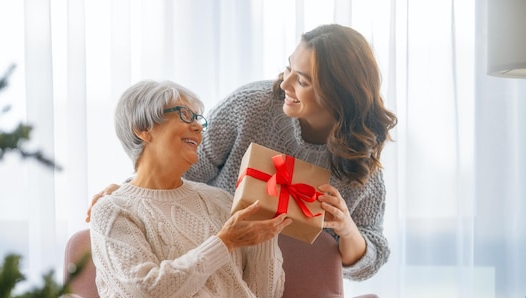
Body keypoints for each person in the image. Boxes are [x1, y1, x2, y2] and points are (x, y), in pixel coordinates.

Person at [87, 23, 397, 281]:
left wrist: (347, 229)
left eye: (301, 80)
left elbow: (369, 262)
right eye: (289, 67)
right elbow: (183, 169)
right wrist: (131, 191)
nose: (284, 83)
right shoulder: (253, 106)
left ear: (338, 94)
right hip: (213, 265)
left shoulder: (362, 164)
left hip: (293, 290)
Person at [89, 80, 309, 298]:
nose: (197, 126)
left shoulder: (219, 202)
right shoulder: (113, 209)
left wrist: (267, 233)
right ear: (143, 129)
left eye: (199, 118)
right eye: (184, 114)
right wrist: (225, 242)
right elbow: (149, 296)